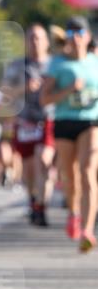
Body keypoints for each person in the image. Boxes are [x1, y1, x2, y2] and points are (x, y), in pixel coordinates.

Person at [41, 16, 98, 252]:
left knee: (87, 172)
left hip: (91, 122)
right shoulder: (57, 64)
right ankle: (74, 212)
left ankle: (87, 230)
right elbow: (45, 99)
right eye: (70, 34)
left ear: (87, 37)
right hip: (64, 122)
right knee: (70, 177)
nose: (74, 39)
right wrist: (68, 90)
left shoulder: (95, 62)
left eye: (79, 34)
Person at [2, 24, 55, 226]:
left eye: (39, 38)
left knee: (44, 161)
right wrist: (24, 88)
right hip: (24, 121)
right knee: (28, 169)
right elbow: (5, 93)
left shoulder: (54, 65)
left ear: (47, 42)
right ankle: (33, 200)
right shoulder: (17, 66)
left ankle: (42, 205)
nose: (35, 42)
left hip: (48, 119)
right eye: (31, 38)